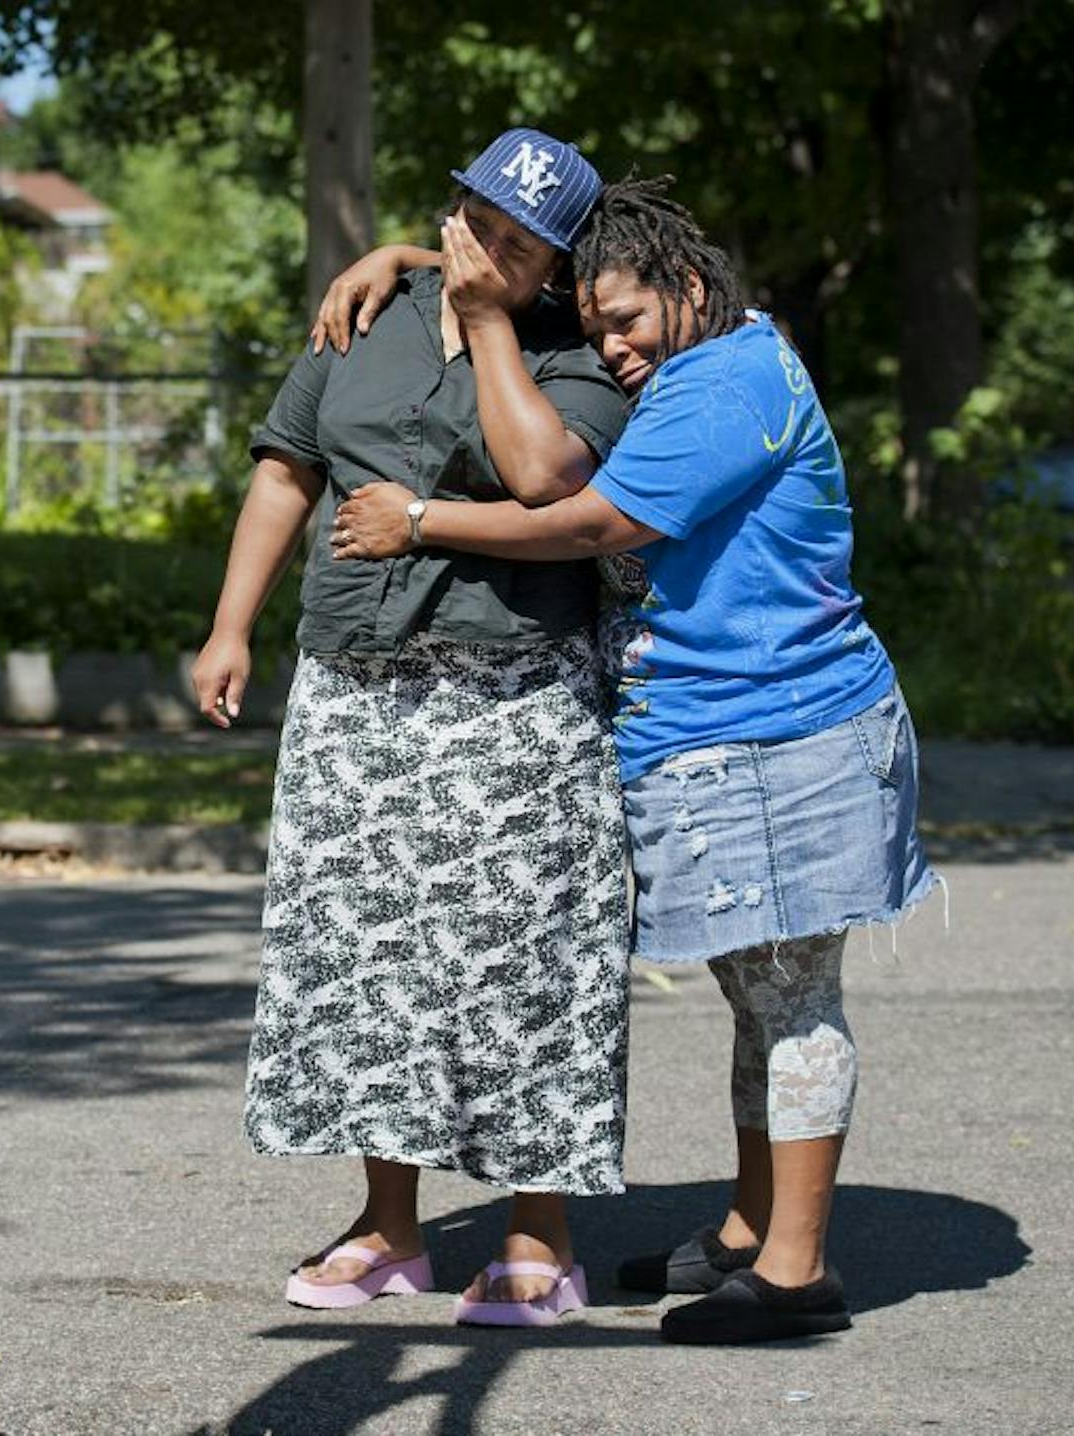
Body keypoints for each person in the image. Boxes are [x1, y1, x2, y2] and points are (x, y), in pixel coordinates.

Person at [315, 176, 934, 1343]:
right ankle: (751, 1229)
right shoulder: (713, 352)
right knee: (757, 996)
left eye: (626, 321)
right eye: (594, 325)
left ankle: (796, 1271)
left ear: (691, 289)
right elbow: (526, 269)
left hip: (781, 729)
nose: (610, 346)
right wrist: (406, 256)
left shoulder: (727, 379)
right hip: (717, 734)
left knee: (795, 998)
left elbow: (591, 521)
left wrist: (421, 520)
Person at [194, 129, 634, 1325]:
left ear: (557, 262)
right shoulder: (366, 315)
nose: (493, 254)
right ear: (451, 212)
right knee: (366, 963)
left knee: (528, 961)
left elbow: (543, 476)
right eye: (480, 225)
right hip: (354, 687)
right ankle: (390, 1226)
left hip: (515, 696)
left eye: (524, 247)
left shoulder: (576, 350)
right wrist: (231, 625)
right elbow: (288, 470)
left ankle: (538, 1232)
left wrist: (492, 323)